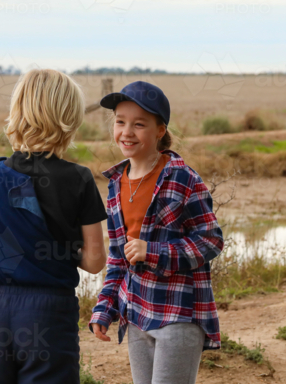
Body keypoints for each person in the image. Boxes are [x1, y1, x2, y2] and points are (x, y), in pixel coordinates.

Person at [0, 69, 107, 384]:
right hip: (48, 311)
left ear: (18, 110)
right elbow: (94, 261)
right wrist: (57, 250)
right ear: (70, 117)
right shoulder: (79, 178)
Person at [89, 80, 224, 384]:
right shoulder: (115, 184)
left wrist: (153, 252)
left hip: (178, 312)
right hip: (137, 313)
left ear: (160, 130)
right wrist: (105, 308)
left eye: (139, 124)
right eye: (120, 122)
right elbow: (118, 257)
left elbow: (211, 240)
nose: (127, 132)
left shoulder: (182, 178)